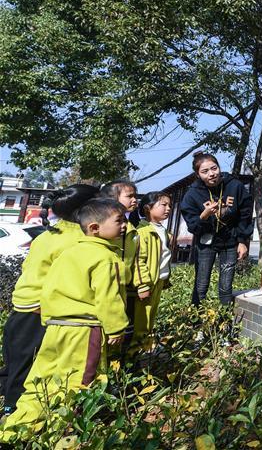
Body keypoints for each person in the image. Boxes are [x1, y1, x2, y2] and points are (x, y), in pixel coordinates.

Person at [2, 198, 128, 434]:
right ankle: (61, 432)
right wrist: (116, 328)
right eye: (119, 221)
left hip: (55, 328)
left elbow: (49, 289)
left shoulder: (68, 253)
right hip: (84, 330)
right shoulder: (106, 258)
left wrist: (47, 319)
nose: (125, 226)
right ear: (94, 228)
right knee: (80, 381)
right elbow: (108, 298)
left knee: (40, 378)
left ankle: (13, 429)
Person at [0, 184, 97, 417]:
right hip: (40, 311)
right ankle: (12, 416)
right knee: (29, 369)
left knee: (15, 364)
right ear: (88, 210)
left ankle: (9, 407)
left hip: (22, 306)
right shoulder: (80, 241)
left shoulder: (48, 235)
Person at [180, 152, 252, 305]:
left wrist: (242, 241)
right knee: (201, 285)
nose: (211, 174)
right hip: (206, 243)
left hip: (230, 242)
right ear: (198, 174)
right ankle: (197, 322)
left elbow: (245, 215)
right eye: (205, 172)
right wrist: (204, 215)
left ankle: (223, 321)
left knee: (226, 287)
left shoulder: (235, 186)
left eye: (214, 168)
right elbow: (192, 225)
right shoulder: (192, 194)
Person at [98, 180, 140, 349]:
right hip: (107, 287)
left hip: (127, 287)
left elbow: (137, 258)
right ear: (112, 199)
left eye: (135, 196)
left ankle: (122, 366)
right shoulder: (105, 228)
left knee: (126, 330)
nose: (135, 200)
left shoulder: (130, 226)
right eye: (129, 196)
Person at [132, 192, 173, 351]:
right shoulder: (143, 232)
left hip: (158, 281)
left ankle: (147, 346)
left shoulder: (161, 230)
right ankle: (136, 351)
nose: (168, 208)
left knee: (151, 315)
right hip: (147, 283)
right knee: (143, 317)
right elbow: (138, 259)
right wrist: (142, 284)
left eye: (169, 205)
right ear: (148, 208)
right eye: (163, 205)